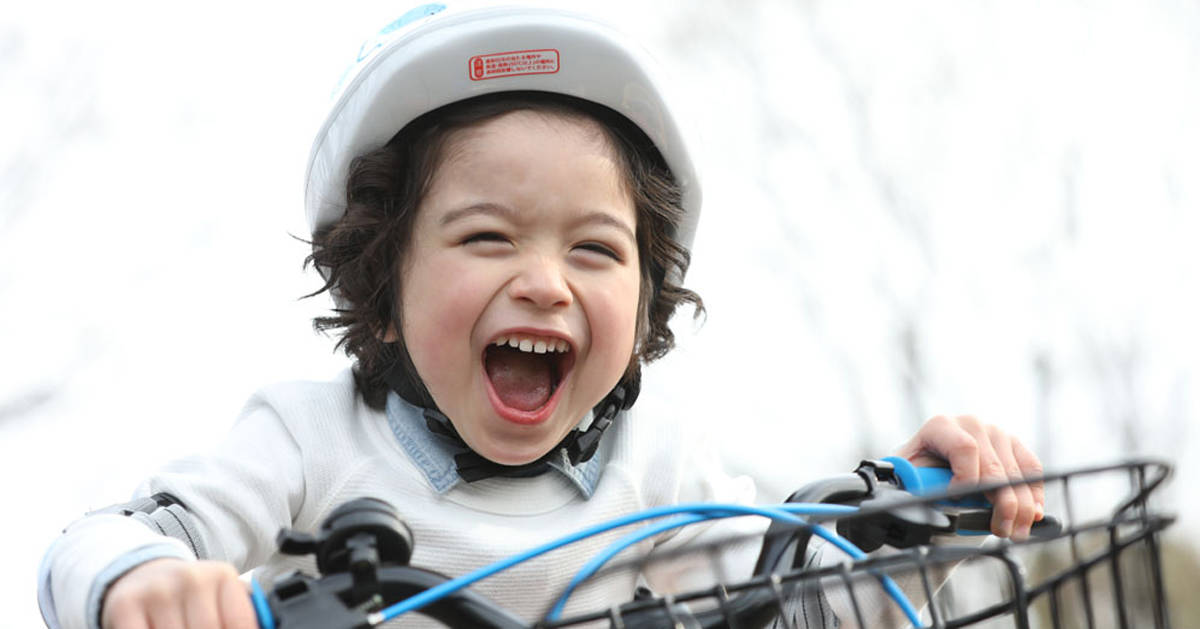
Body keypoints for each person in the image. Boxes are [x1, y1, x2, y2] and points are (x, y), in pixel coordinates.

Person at [37, 5, 1044, 628]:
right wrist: (146, 579)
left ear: (647, 303)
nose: (545, 282)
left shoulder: (668, 471)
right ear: (382, 285)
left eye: (596, 249)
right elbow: (105, 537)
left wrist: (910, 515)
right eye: (486, 237)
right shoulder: (305, 436)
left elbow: (803, 598)